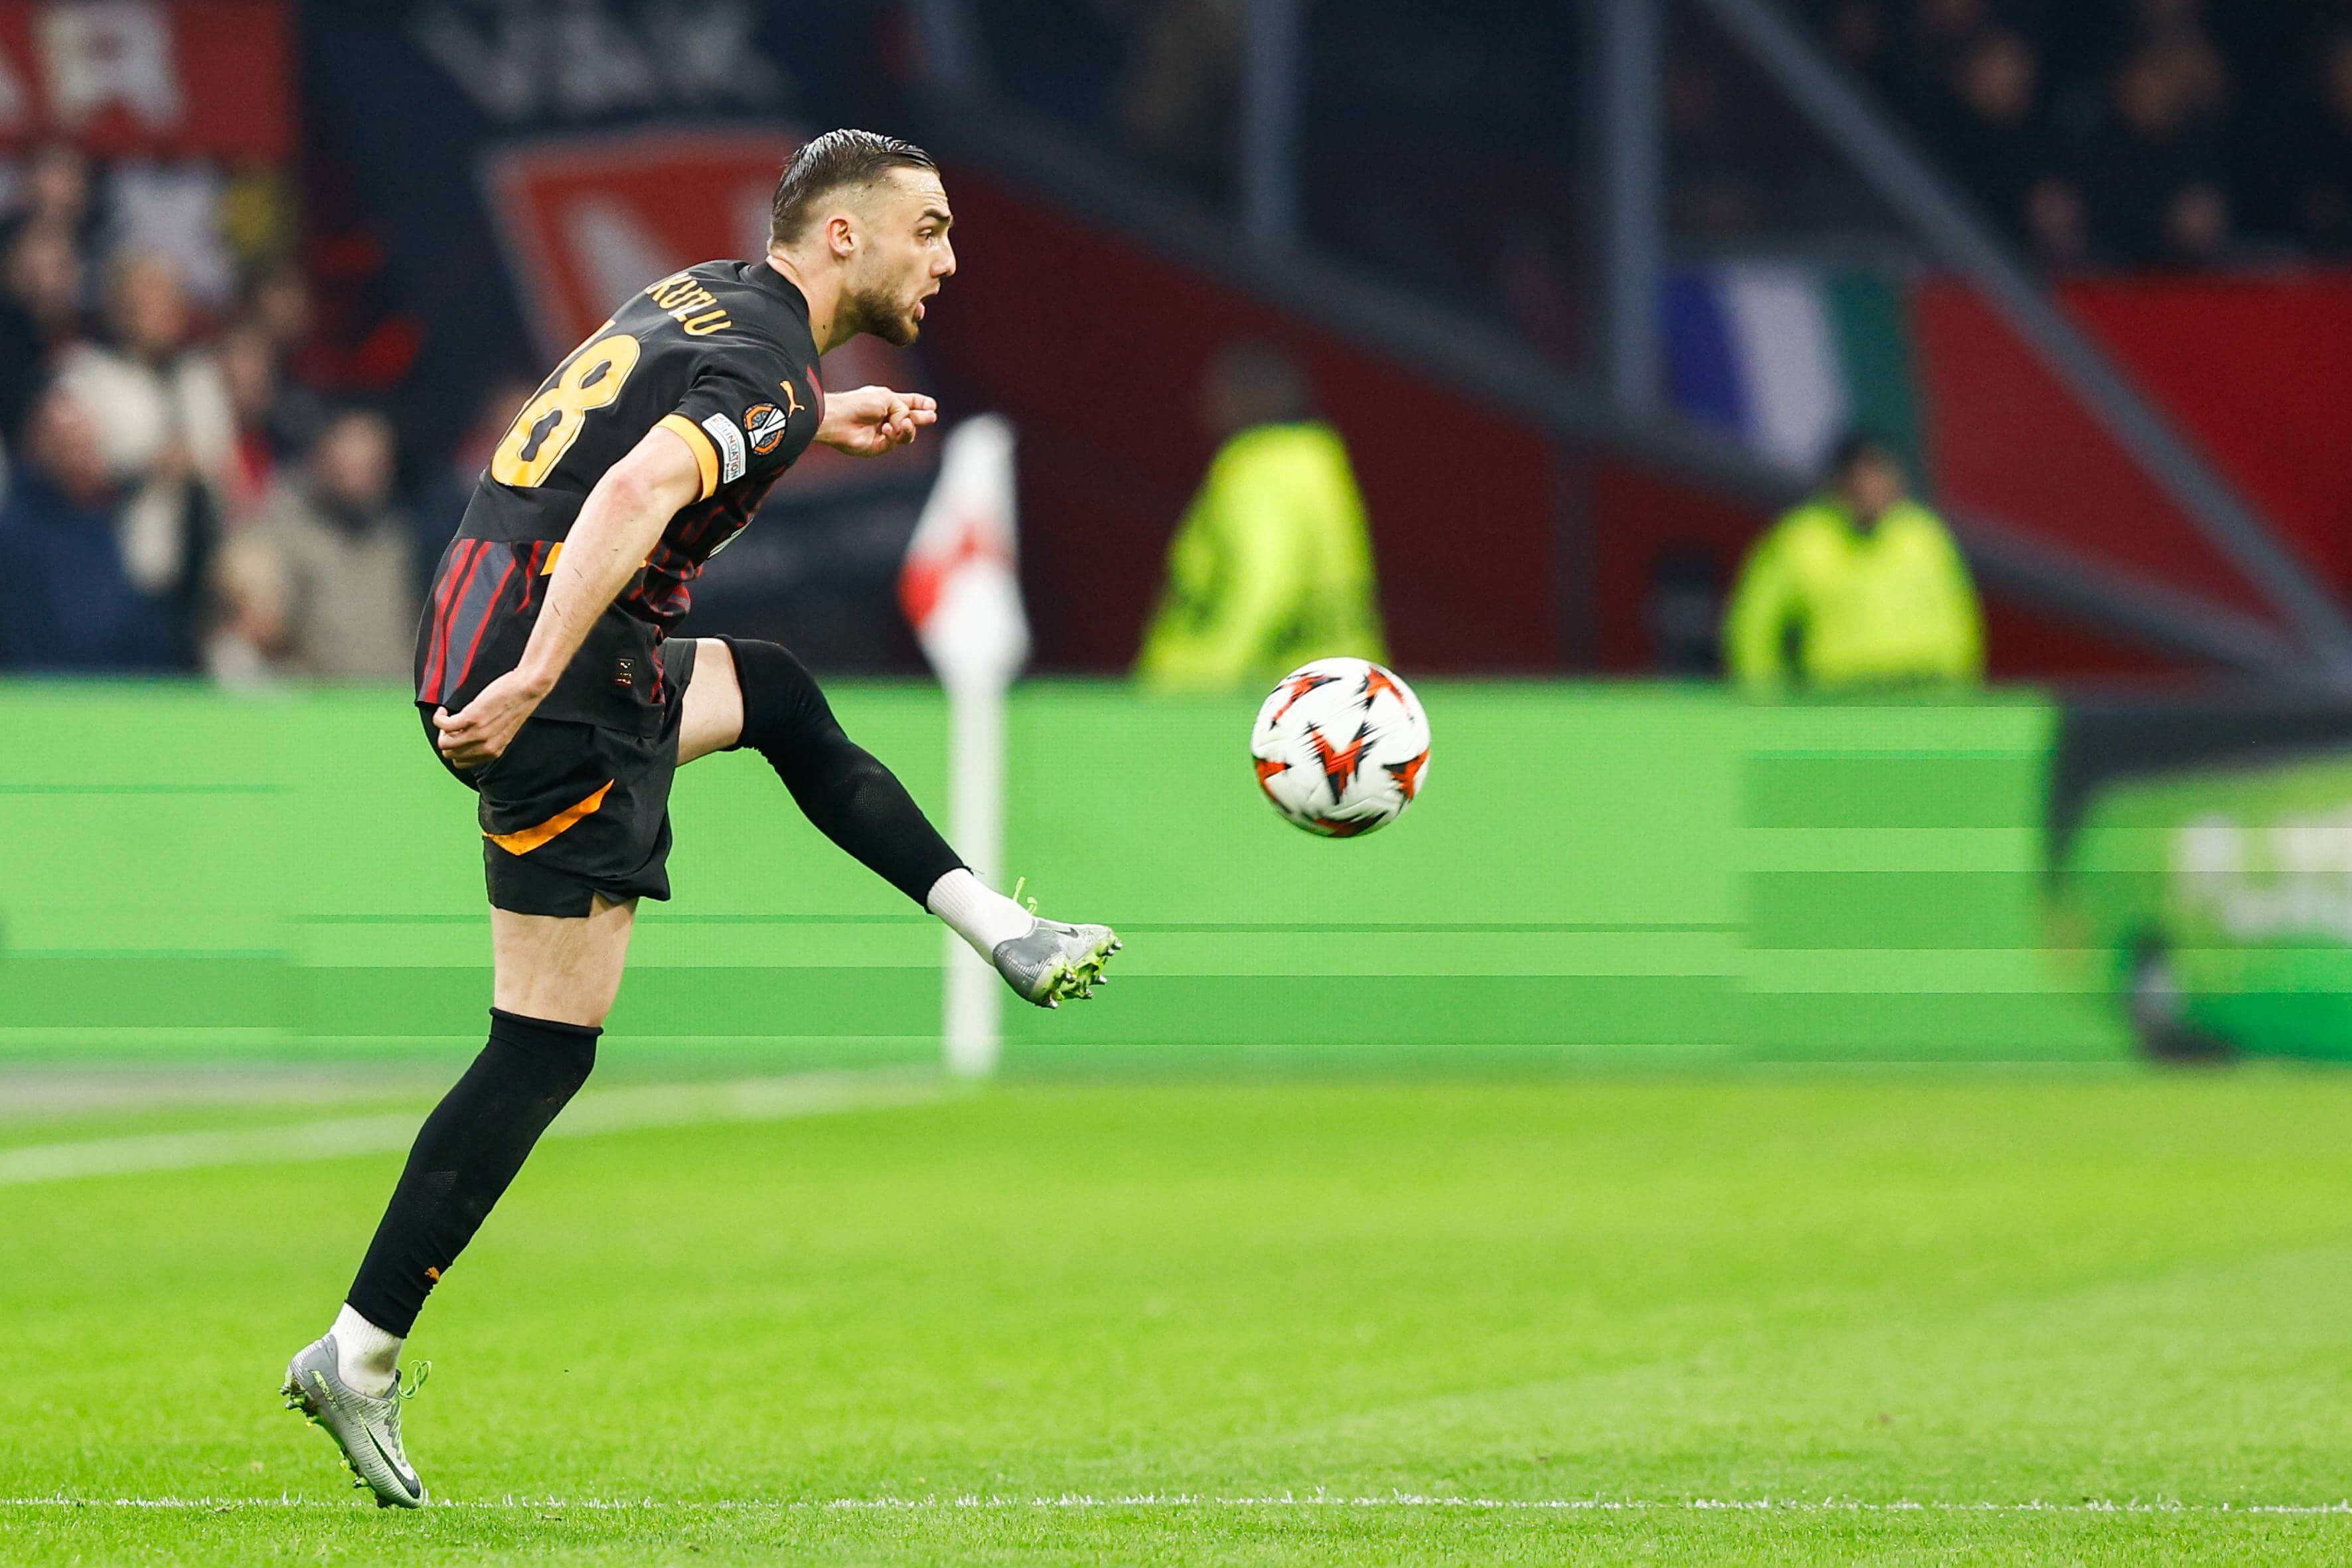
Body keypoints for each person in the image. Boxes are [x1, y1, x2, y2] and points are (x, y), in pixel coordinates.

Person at [279, 130, 1120, 1508]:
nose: (950, 259)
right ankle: (357, 1354)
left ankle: (1000, 925)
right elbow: (632, 485)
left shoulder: (710, 296)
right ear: (840, 236)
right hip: (554, 681)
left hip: (493, 613)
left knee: (775, 692)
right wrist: (540, 673)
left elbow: (629, 423)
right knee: (541, 1048)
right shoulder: (769, 372)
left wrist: (819, 422)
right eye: (930, 227)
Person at [1135, 341, 1385, 688]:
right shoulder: (1322, 466)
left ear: (1244, 399)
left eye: (1215, 394)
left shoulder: (1254, 469)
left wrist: (1208, 684)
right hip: (1341, 691)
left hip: (1248, 701)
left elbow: (1265, 581)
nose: (1203, 406)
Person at [1722, 433, 1984, 689]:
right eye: (1861, 479)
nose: (1872, 489)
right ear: (1839, 482)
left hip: (1923, 689)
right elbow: (1755, 622)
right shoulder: (1803, 539)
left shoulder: (1923, 535)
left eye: (1881, 476)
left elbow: (1959, 618)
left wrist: (1958, 689)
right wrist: (1763, 696)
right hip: (1840, 694)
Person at [212, 408, 418, 679]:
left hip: (392, 702)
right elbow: (253, 620)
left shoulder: (401, 541)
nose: (358, 482)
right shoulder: (284, 535)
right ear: (321, 462)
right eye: (346, 468)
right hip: (315, 704)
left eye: (370, 468)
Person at [0, 386, 173, 669]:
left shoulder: (102, 523)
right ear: (41, 449)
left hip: (115, 695)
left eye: (89, 447)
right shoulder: (14, 534)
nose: (84, 460)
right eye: (71, 447)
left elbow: (128, 620)